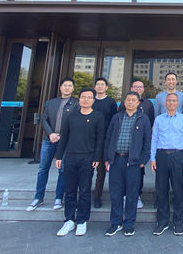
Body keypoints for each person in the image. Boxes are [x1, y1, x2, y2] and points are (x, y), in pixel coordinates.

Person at [54, 88, 105, 237]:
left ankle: (82, 220)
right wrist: (59, 156)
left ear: (93, 100)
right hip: (70, 156)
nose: (86, 100)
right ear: (79, 99)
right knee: (70, 190)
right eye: (83, 97)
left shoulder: (98, 116)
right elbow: (64, 137)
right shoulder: (71, 116)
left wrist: (97, 157)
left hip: (88, 158)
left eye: (89, 97)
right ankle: (69, 220)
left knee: (84, 189)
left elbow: (100, 139)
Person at [103, 91, 152, 237]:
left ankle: (129, 224)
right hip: (116, 160)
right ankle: (116, 223)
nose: (130, 102)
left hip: (133, 162)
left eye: (133, 100)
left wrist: (143, 160)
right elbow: (108, 137)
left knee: (132, 194)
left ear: (138, 103)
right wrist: (107, 157)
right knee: (115, 193)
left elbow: (147, 140)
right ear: (124, 102)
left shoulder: (143, 119)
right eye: (128, 100)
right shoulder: (116, 117)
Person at [27, 77, 77, 212]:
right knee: (43, 168)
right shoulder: (51, 103)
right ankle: (38, 197)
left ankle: (59, 198)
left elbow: (75, 122)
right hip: (49, 140)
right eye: (65, 85)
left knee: (63, 170)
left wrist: (62, 136)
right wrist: (50, 134)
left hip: (65, 141)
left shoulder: (76, 104)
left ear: (73, 89)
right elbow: (44, 119)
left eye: (70, 85)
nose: (67, 88)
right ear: (60, 88)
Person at [150, 93, 183, 236]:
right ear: (165, 103)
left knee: (178, 189)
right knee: (161, 189)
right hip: (161, 155)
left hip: (177, 155)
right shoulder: (159, 119)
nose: (171, 103)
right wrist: (152, 158)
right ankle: (162, 221)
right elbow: (154, 139)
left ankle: (178, 222)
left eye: (174, 101)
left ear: (177, 103)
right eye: (169, 101)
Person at [128, 79, 155, 209]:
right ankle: (125, 195)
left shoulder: (148, 104)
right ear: (131, 88)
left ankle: (137, 195)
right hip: (126, 142)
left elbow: (151, 123)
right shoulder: (125, 102)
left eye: (140, 87)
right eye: (135, 87)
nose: (138, 89)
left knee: (139, 170)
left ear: (143, 90)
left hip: (141, 142)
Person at [92, 77, 118, 209]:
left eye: (103, 84)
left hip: (104, 139)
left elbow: (114, 121)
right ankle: (85, 195)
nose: (100, 86)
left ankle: (97, 196)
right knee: (86, 170)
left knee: (101, 171)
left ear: (106, 87)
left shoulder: (111, 102)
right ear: (95, 87)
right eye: (98, 84)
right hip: (90, 138)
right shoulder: (90, 100)